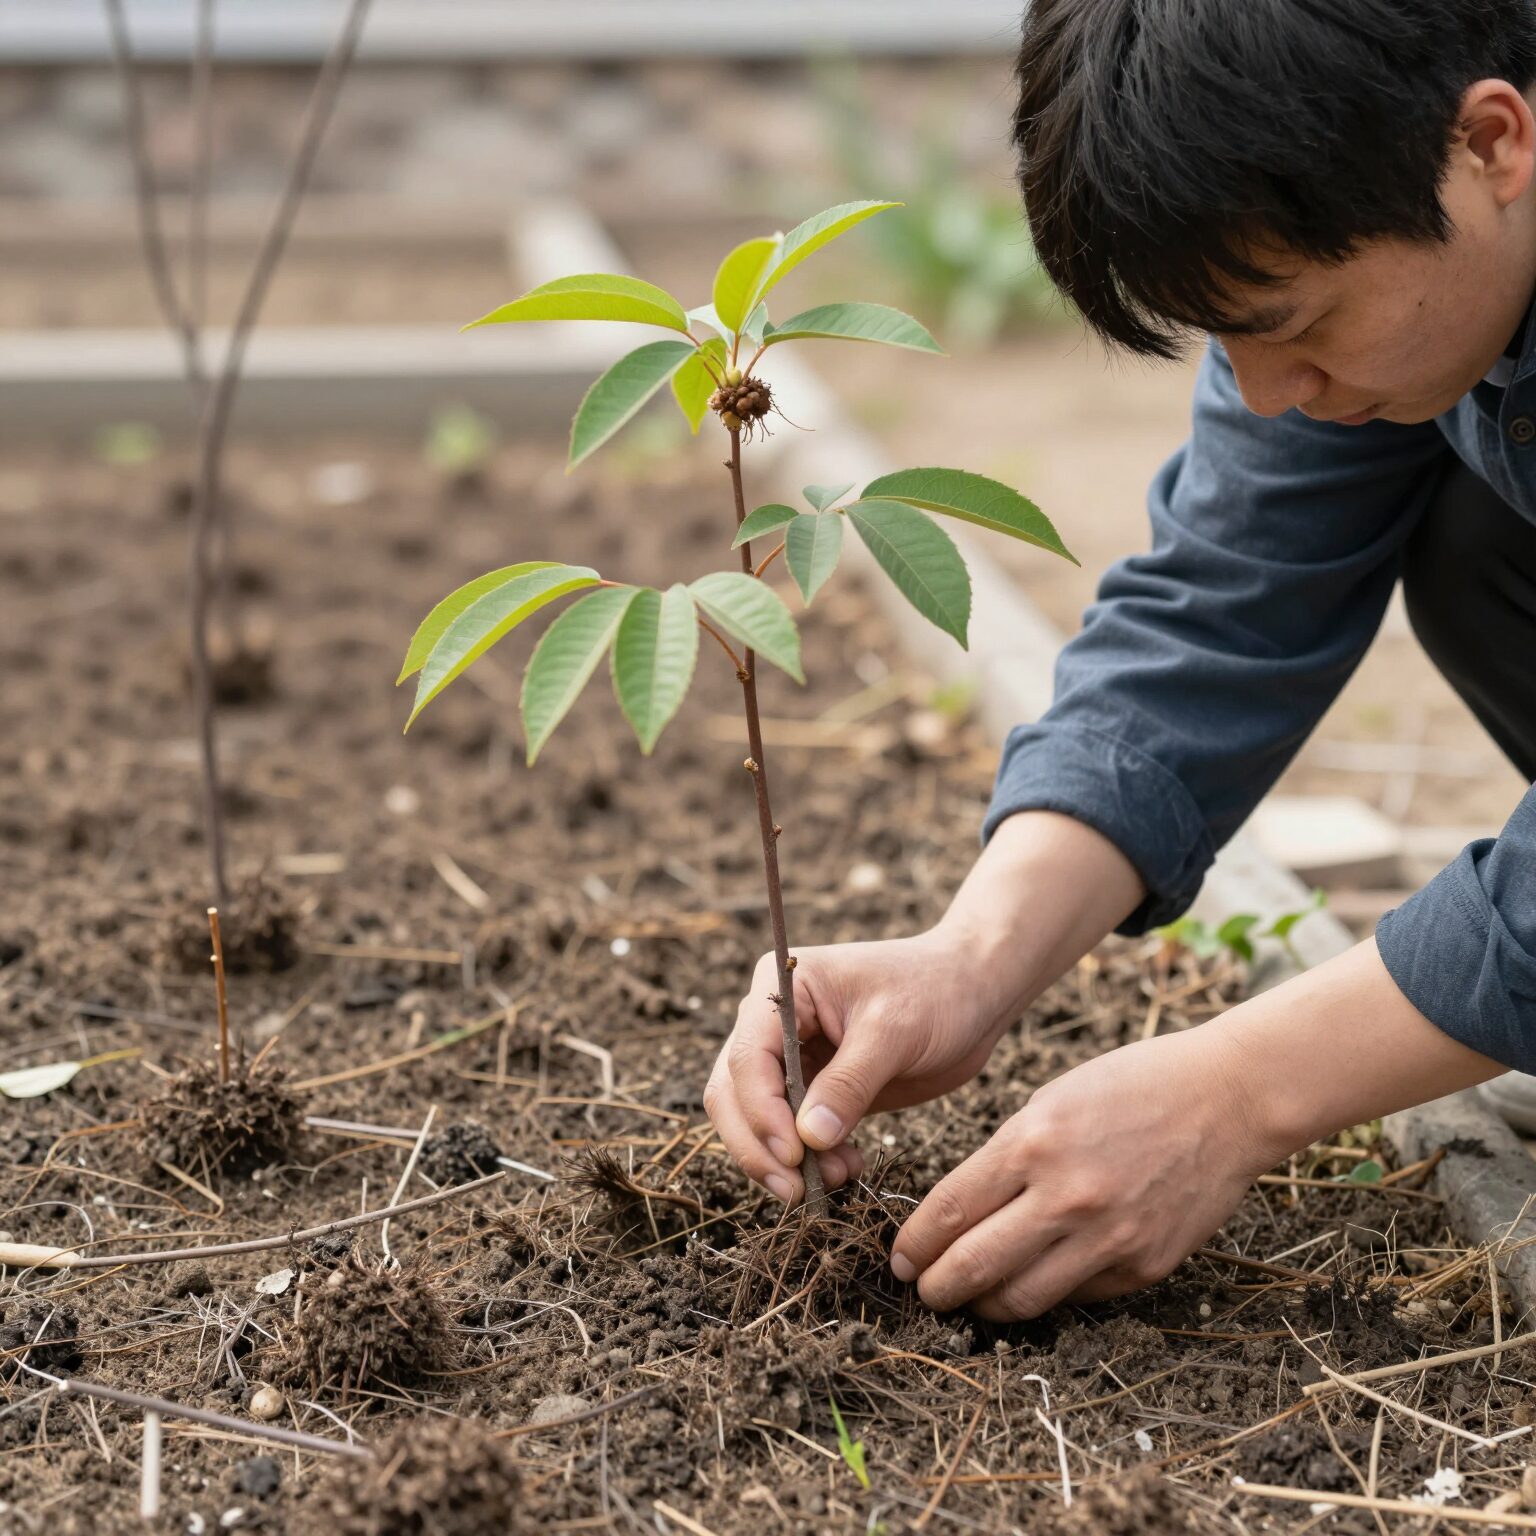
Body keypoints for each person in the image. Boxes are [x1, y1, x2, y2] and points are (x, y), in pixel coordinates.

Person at [704, 0, 1536, 1323]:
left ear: (1494, 142)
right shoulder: (1393, 230)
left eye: (1289, 320)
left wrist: (1241, 1093)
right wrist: (974, 957)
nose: (1266, 394)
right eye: (1225, 341)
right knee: (1470, 521)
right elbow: (1230, 598)